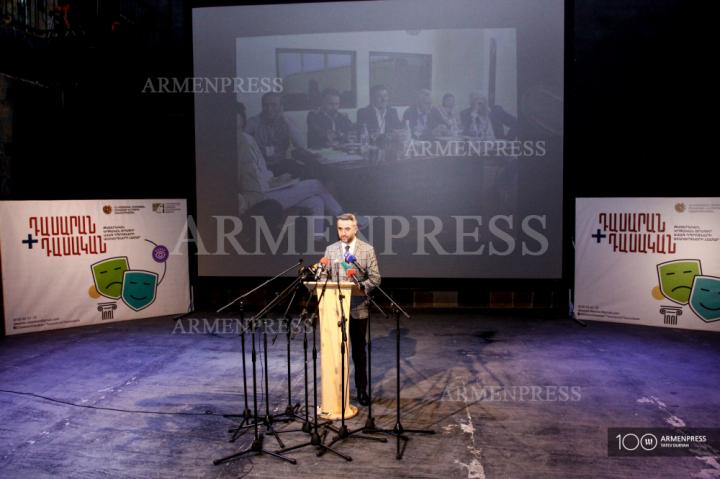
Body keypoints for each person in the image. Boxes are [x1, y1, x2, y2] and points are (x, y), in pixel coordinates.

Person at [236, 102, 343, 241]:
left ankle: (317, 240)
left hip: (269, 184)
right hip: (261, 195)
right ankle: (345, 217)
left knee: (316, 201)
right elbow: (249, 179)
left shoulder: (247, 139)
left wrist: (275, 180)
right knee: (316, 184)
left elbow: (260, 170)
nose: (270, 109)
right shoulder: (239, 140)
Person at [323, 213, 380, 407]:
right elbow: (324, 277)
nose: (343, 232)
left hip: (358, 306)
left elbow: (375, 278)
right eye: (340, 228)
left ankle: (361, 390)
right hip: (335, 308)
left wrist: (361, 287)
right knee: (336, 351)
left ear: (355, 229)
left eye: (347, 228)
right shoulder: (331, 250)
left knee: (358, 351)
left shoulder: (367, 250)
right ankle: (338, 391)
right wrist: (323, 282)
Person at [246, 92, 304, 175]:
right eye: (266, 105)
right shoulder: (253, 122)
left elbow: (301, 145)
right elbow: (243, 148)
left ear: (281, 107)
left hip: (281, 164)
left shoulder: (287, 121)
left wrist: (285, 120)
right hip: (260, 167)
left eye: (273, 105)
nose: (269, 109)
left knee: (304, 171)